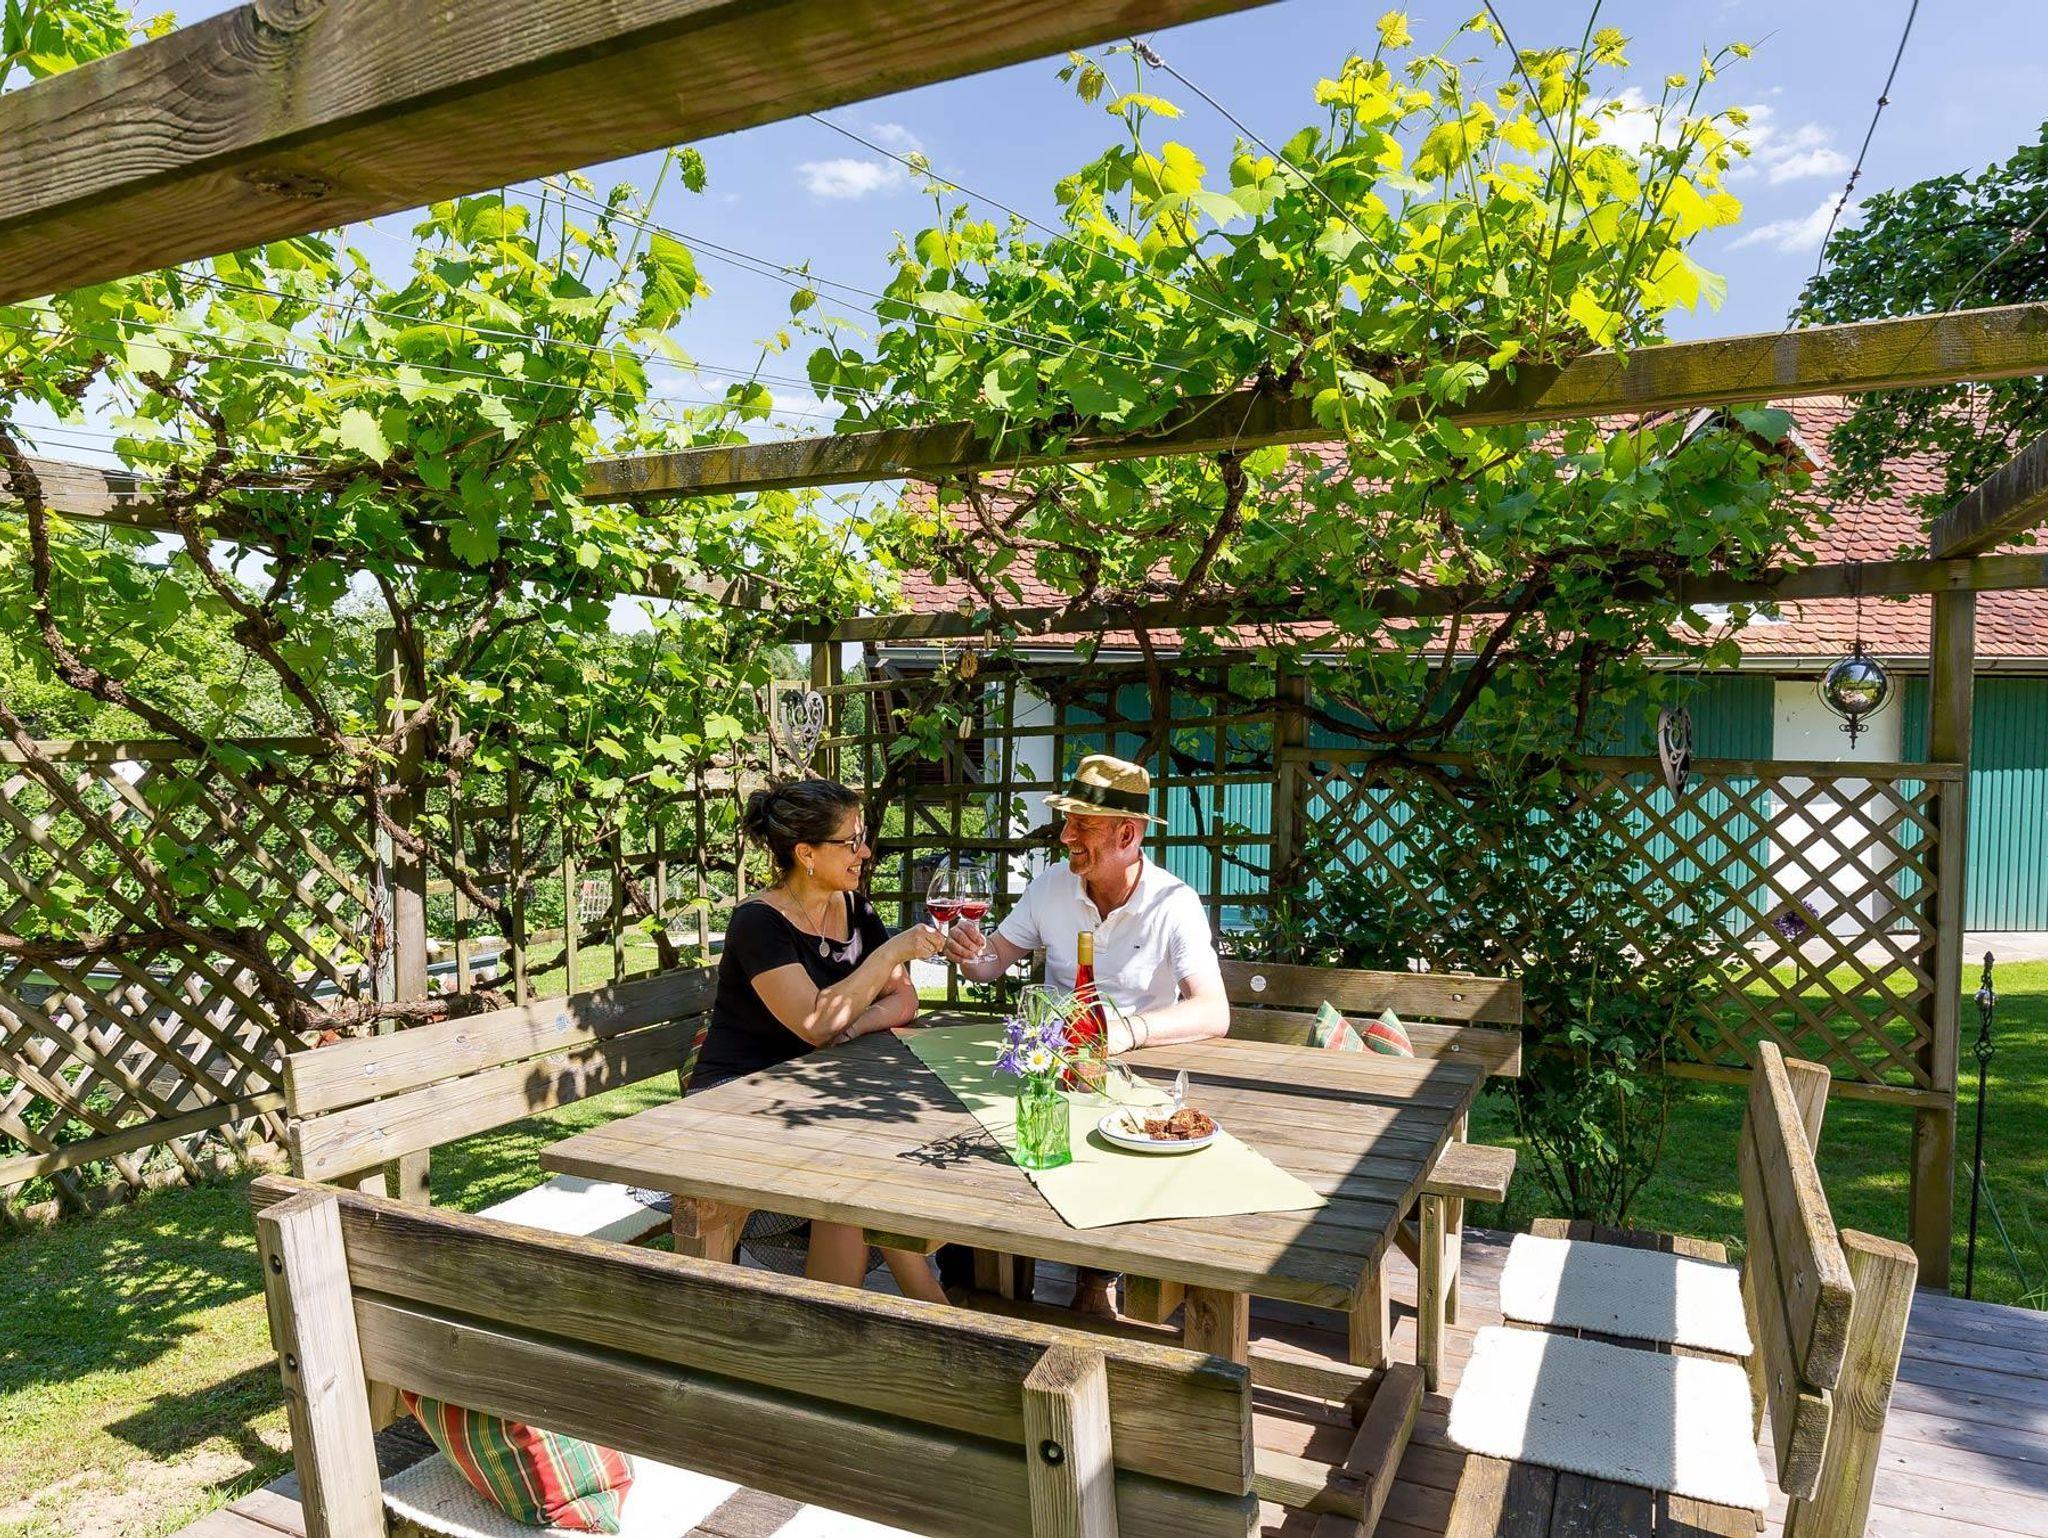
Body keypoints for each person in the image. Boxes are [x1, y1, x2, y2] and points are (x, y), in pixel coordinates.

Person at [945, 752, 1231, 1314]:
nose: (1065, 836)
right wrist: (967, 950)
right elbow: (991, 962)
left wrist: (1123, 1032)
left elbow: (1214, 1012)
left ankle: (1095, 1281)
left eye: (1083, 825)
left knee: (1106, 1141)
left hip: (1137, 1077)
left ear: (1127, 834)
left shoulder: (1173, 902)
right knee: (974, 1129)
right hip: (1054, 1068)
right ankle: (984, 1285)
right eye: (1067, 822)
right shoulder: (1052, 886)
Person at [690, 778, 950, 1302]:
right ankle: (921, 1312)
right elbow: (814, 1022)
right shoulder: (758, 922)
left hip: (810, 1093)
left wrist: (850, 1027)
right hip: (736, 1101)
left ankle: (867, 1319)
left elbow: (904, 1002)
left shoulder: (854, 910)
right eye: (851, 842)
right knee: (853, 1177)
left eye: (863, 839)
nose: (865, 853)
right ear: (806, 854)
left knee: (873, 1165)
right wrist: (889, 953)